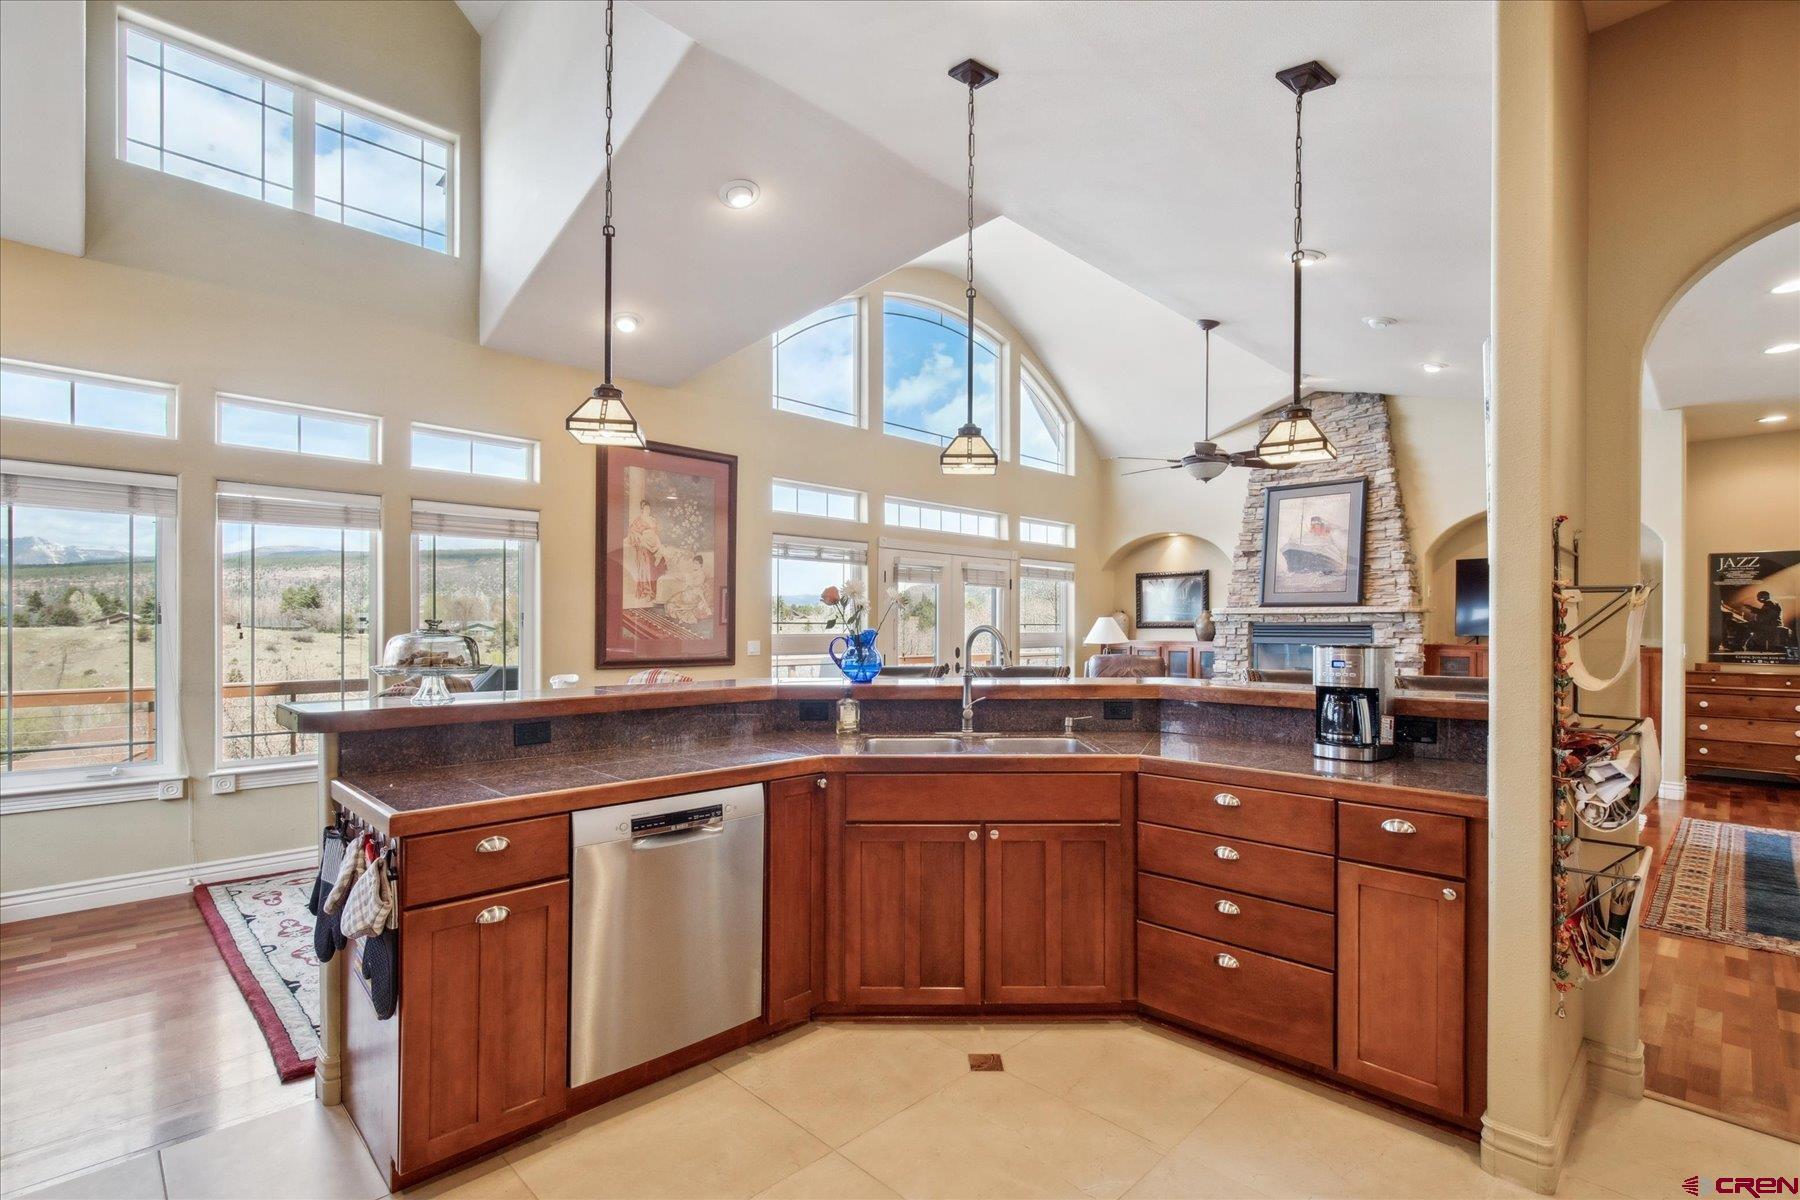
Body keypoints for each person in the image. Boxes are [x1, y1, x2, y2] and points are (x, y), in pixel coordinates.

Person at [624, 500, 667, 603]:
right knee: (646, 567)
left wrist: (657, 543)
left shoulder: (653, 520)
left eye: (648, 508)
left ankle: (654, 592)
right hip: (643, 545)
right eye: (645, 508)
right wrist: (640, 537)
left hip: (654, 543)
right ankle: (646, 591)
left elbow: (656, 533)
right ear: (642, 509)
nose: (647, 510)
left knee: (656, 565)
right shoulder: (638, 520)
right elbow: (632, 532)